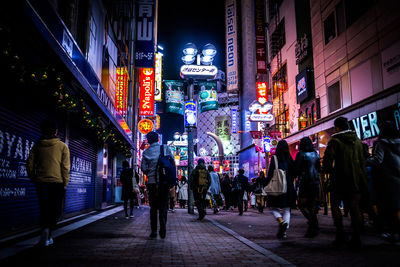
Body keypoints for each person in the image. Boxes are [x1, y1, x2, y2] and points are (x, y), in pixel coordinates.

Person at [323, 117, 368, 248]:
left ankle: (340, 233)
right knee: (355, 207)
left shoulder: (335, 141)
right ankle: (357, 236)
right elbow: (362, 159)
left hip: (339, 178)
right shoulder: (358, 141)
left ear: (337, 128)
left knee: (335, 205)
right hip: (357, 179)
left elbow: (327, 161)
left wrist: (329, 172)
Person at [27, 119, 70, 247]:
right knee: (55, 210)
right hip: (57, 183)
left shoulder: (37, 145)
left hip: (41, 182)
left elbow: (29, 163)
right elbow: (65, 167)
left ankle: (45, 233)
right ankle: (48, 231)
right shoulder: (62, 146)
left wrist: (33, 177)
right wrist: (65, 182)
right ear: (56, 132)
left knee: (44, 208)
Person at [366, 121, 400, 244]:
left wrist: (364, 160)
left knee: (390, 207)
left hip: (388, 180)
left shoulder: (382, 144)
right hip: (398, 177)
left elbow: (377, 160)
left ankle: (395, 233)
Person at [141, 131, 171, 239]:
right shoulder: (165, 148)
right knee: (163, 207)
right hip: (164, 183)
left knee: (153, 208)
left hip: (152, 184)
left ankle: (153, 231)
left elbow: (143, 169)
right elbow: (171, 163)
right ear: (158, 139)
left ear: (148, 140)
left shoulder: (146, 152)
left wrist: (150, 171)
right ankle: (163, 228)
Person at [265, 140, 296, 240]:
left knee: (273, 207)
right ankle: (284, 232)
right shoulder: (289, 158)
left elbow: (270, 174)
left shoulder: (274, 158)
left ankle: (281, 222)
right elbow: (294, 172)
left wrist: (267, 185)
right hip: (289, 186)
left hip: (277, 185)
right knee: (287, 209)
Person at [295, 137, 321, 238]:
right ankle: (313, 223)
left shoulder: (301, 154)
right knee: (312, 204)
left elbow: (297, 168)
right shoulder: (316, 154)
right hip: (315, 181)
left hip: (305, 181)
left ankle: (313, 222)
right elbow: (319, 168)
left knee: (302, 204)